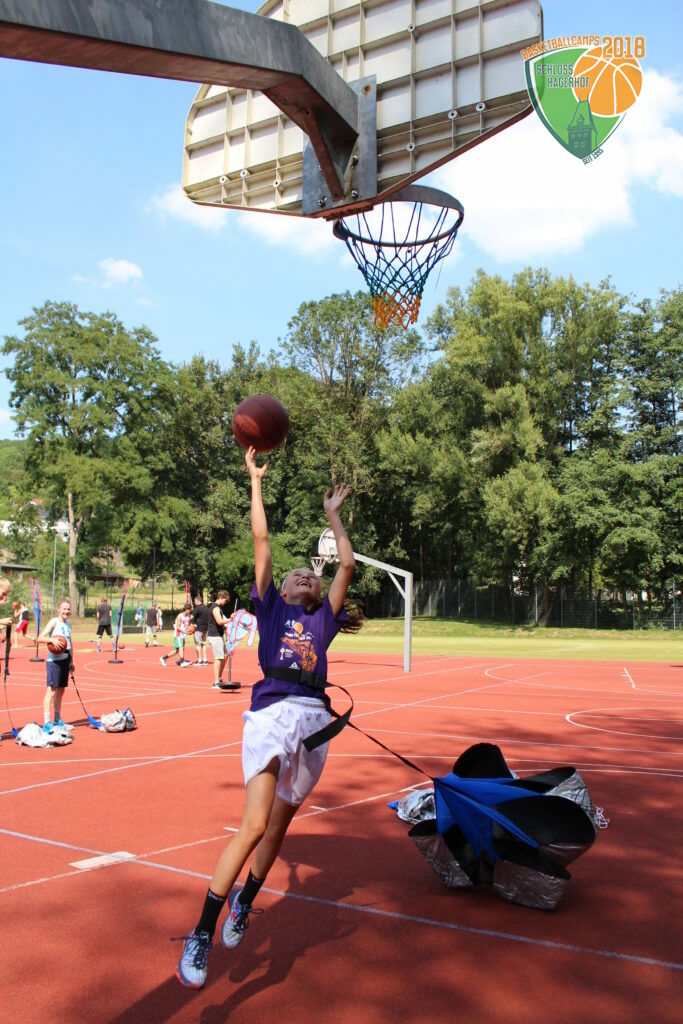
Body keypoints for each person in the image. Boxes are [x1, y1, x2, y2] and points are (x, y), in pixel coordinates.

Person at [175, 446, 363, 989]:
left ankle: (244, 903)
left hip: (314, 726)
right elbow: (262, 541)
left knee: (278, 832)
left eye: (310, 575)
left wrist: (333, 516)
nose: (305, 576)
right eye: (296, 574)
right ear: (280, 590)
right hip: (271, 716)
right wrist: (255, 481)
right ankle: (202, 933)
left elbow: (346, 565)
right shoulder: (273, 608)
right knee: (254, 825)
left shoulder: (324, 620)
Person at [36, 597, 72, 733]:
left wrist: (72, 660)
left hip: (65, 660)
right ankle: (47, 722)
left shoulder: (68, 624)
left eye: (68, 609)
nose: (66, 611)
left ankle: (57, 719)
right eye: (64, 609)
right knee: (51, 691)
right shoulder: (54, 622)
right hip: (54, 661)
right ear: (58, 609)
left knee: (61, 691)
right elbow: (40, 638)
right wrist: (52, 640)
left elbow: (70, 643)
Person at [206, 590, 234, 689]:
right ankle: (216, 682)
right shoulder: (215, 608)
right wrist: (230, 619)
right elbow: (219, 621)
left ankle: (219, 678)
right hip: (215, 635)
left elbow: (222, 623)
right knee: (218, 658)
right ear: (221, 598)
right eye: (225, 600)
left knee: (225, 656)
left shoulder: (218, 608)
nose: (226, 603)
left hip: (219, 635)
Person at [186, 594, 209, 666]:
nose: (194, 602)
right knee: (203, 644)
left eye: (195, 601)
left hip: (198, 628)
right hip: (205, 628)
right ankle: (205, 659)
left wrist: (187, 622)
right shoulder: (206, 608)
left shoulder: (198, 608)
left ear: (199, 600)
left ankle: (199, 660)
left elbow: (191, 617)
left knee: (197, 644)